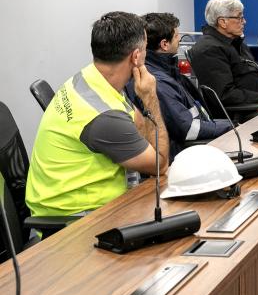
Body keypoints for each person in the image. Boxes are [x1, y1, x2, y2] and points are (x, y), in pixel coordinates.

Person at [26, 12, 169, 217]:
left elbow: (136, 123)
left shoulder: (89, 79)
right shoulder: (104, 116)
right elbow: (160, 165)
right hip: (76, 223)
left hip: (78, 206)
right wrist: (150, 99)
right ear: (136, 56)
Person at [137, 12, 233, 160]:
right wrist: (230, 126)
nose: (180, 40)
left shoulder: (166, 72)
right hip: (186, 157)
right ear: (164, 44)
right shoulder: (157, 81)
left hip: (196, 147)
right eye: (176, 36)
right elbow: (188, 129)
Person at [191, 0, 258, 120]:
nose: (244, 21)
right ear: (222, 22)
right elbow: (225, 94)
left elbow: (253, 75)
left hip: (255, 105)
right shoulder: (209, 49)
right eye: (239, 17)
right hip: (239, 115)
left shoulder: (236, 42)